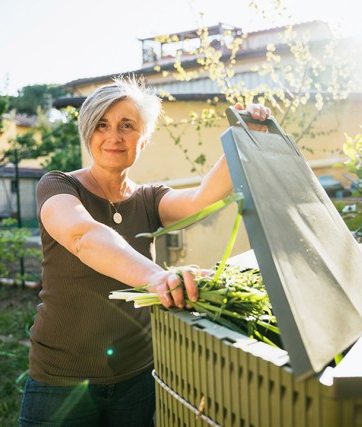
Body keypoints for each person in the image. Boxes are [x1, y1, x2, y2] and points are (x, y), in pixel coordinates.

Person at [18, 76, 270, 426]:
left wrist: (243, 138)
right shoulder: (59, 185)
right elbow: (82, 235)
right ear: (88, 132)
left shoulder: (149, 199)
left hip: (136, 375)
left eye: (128, 126)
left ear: (145, 138)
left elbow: (200, 200)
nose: (114, 136)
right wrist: (157, 277)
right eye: (102, 124)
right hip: (61, 380)